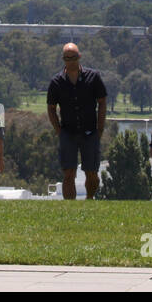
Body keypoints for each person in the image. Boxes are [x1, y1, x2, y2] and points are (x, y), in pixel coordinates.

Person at [46, 42, 107, 199]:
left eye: (73, 57)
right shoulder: (56, 82)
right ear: (63, 59)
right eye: (67, 58)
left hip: (90, 132)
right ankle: (70, 207)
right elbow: (51, 108)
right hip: (67, 133)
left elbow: (102, 102)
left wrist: (100, 128)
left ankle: (89, 199)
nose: (70, 61)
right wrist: (58, 130)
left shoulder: (93, 77)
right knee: (68, 173)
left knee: (91, 173)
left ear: (79, 57)